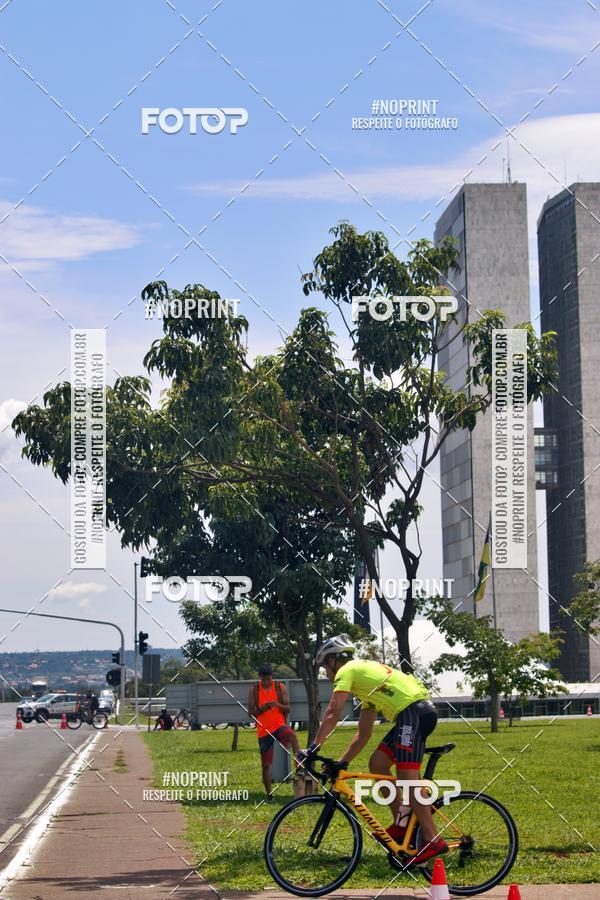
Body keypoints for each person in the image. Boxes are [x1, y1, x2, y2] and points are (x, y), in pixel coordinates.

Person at [297, 634, 447, 866]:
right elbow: (364, 733)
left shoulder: (348, 671)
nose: (326, 673)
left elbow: (333, 711)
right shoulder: (365, 683)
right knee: (378, 764)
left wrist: (312, 748)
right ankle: (402, 825)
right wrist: (343, 761)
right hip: (412, 714)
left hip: (414, 713)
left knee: (408, 780)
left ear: (334, 661)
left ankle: (432, 839)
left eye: (325, 667)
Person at [248, 663, 300, 800]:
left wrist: (277, 705)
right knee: (265, 765)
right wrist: (262, 709)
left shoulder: (280, 687)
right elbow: (250, 713)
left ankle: (299, 764)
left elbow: (288, 708)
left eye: (268, 679)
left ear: (272, 676)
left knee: (292, 735)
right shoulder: (254, 690)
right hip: (263, 731)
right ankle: (269, 794)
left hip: (279, 726)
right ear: (259, 678)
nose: (266, 682)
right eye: (263, 679)